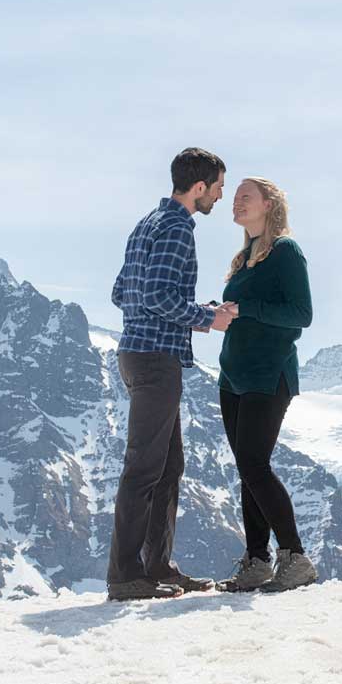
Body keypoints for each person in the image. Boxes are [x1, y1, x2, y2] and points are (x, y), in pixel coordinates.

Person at [105, 148, 237, 602]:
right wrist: (207, 318)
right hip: (156, 359)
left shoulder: (145, 224)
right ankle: (125, 576)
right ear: (198, 187)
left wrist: (182, 312)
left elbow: (122, 292)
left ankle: (158, 564)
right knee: (144, 467)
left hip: (136, 353)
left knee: (168, 464)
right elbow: (160, 297)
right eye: (218, 187)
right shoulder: (178, 229)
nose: (220, 197)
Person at [214, 178, 317, 593]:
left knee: (255, 465)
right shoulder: (243, 258)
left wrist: (246, 308)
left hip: (268, 374)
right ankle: (257, 560)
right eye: (235, 197)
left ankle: (295, 556)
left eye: (245, 196)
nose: (236, 202)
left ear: (269, 205)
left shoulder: (286, 251)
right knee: (246, 470)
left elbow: (301, 313)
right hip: (233, 376)